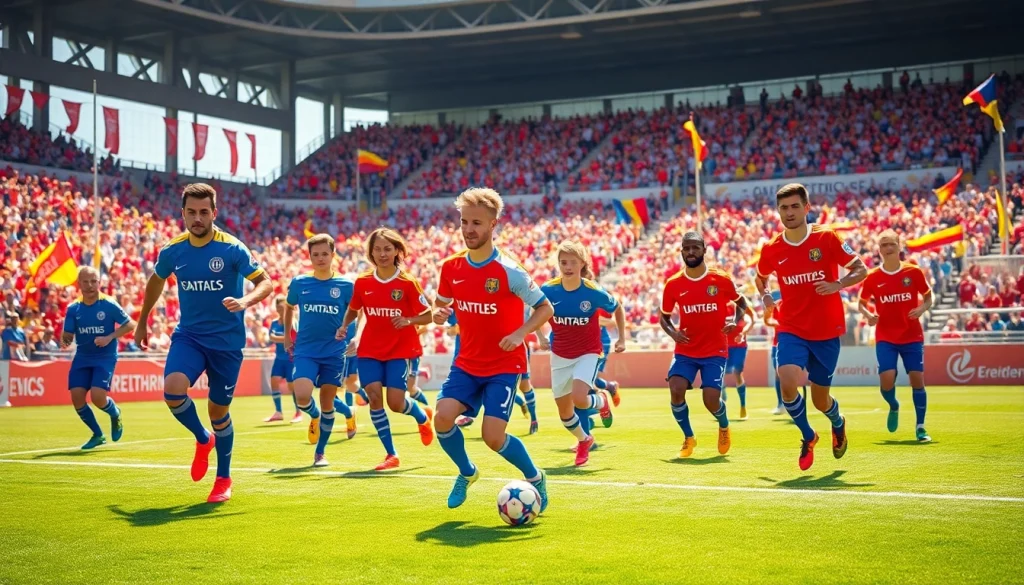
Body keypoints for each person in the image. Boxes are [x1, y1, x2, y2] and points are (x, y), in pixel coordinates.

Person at [136, 183, 274, 503]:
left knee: (218, 411)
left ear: (214, 213)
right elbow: (157, 279)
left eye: (203, 212)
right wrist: (142, 320)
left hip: (226, 343)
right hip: (190, 336)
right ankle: (203, 439)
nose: (197, 218)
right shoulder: (174, 250)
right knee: (173, 389)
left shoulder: (233, 249)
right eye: (191, 212)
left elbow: (264, 282)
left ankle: (223, 478)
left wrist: (245, 301)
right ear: (183, 213)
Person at [431, 187, 553, 511]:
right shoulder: (451, 268)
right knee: (441, 418)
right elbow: (439, 308)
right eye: (464, 222)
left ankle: (535, 476)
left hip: (503, 365)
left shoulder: (509, 270)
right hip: (466, 363)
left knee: (493, 437)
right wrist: (438, 314)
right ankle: (467, 472)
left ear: (493, 225)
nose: (468, 229)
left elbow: (545, 308)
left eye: (476, 223)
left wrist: (521, 333)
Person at [755, 183, 868, 470]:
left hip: (827, 331)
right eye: (784, 207)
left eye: (795, 206)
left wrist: (838, 284)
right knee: (788, 381)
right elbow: (760, 278)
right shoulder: (771, 249)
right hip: (791, 327)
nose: (789, 212)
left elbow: (861, 268)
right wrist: (767, 296)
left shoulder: (827, 238)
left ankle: (837, 422)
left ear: (807, 208)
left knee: (820, 400)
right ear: (777, 211)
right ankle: (808, 435)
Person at [340, 227, 435, 471]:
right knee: (372, 396)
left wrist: (409, 321)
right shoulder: (362, 282)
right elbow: (355, 308)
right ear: (371, 252)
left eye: (387, 249)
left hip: (400, 350)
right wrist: (344, 326)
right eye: (377, 249)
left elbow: (428, 316)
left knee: (395, 402)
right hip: (370, 350)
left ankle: (423, 418)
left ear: (396, 251)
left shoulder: (407, 283)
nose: (382, 253)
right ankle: (391, 454)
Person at [660, 231, 747, 458]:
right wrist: (673, 333)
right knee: (676, 390)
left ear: (704, 250)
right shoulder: (673, 284)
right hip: (686, 349)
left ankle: (724, 425)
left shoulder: (721, 279)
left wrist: (735, 320)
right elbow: (664, 317)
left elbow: (742, 302)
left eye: (695, 248)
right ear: (681, 252)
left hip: (714, 350)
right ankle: (689, 437)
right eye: (686, 248)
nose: (691, 252)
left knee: (710, 400)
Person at [540, 240, 623, 466]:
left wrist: (621, 339)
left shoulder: (592, 291)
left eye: (572, 262)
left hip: (588, 352)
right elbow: (535, 310)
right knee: (564, 413)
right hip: (559, 354)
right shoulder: (548, 289)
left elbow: (617, 308)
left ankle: (600, 400)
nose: (567, 266)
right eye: (563, 262)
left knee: (579, 398)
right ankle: (584, 439)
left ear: (582, 264)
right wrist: (539, 337)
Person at [284, 234, 355, 468]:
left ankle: (320, 453)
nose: (320, 258)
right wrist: (287, 336)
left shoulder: (346, 286)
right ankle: (312, 415)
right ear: (310, 256)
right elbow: (289, 307)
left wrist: (349, 332)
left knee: (328, 402)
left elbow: (356, 312)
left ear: (333, 255)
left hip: (334, 352)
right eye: (316, 254)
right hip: (305, 349)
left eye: (325, 253)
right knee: (302, 396)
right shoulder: (299, 283)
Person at [857, 230, 933, 442]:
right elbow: (861, 304)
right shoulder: (872, 277)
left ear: (899, 246)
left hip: (912, 335)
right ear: (879, 250)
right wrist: (868, 315)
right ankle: (893, 405)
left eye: (891, 244)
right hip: (886, 337)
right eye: (883, 245)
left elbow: (928, 297)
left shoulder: (914, 272)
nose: (888, 248)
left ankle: (920, 427)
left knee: (917, 379)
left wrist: (922, 309)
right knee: (886, 380)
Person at [60, 266, 136, 450]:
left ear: (99, 283)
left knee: (98, 397)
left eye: (93, 281)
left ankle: (115, 413)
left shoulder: (108, 304)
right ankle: (97, 434)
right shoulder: (73, 309)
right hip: (82, 357)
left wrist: (109, 337)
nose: (90, 285)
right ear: (79, 284)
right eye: (85, 282)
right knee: (77, 398)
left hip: (105, 357)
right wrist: (65, 339)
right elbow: (67, 334)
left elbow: (130, 324)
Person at [764, 292, 807, 415]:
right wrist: (770, 316)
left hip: (796, 344)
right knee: (779, 374)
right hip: (777, 344)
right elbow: (768, 320)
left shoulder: (799, 304)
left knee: (792, 374)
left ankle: (796, 401)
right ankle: (781, 404)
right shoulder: (777, 305)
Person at [265, 295, 302, 424]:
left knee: (292, 386)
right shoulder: (274, 323)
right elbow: (271, 337)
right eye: (277, 307)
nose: (279, 310)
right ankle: (278, 412)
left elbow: (293, 339)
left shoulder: (293, 322)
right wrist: (279, 339)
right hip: (279, 358)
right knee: (274, 381)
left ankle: (298, 412)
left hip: (290, 358)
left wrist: (277, 338)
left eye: (282, 307)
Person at [722, 303, 754, 420]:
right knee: (720, 373)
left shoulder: (739, 307)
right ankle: (722, 398)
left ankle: (743, 406)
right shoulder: (720, 306)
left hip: (739, 346)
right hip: (723, 347)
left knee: (737, 372)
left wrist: (742, 333)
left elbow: (749, 321)